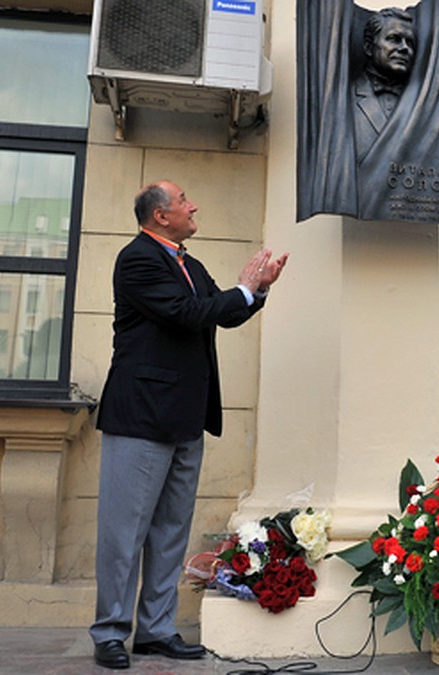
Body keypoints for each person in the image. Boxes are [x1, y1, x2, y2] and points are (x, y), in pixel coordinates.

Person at [90, 180, 288, 670]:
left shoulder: (189, 263)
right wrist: (241, 289)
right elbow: (184, 314)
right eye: (183, 201)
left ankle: (156, 630)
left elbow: (218, 315)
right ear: (160, 215)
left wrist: (256, 291)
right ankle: (111, 631)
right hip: (140, 416)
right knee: (124, 533)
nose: (192, 205)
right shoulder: (137, 258)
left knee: (170, 531)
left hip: (185, 416)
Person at [353, 7, 416, 163]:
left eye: (409, 42)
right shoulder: (345, 99)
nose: (404, 48)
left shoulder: (420, 103)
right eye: (394, 38)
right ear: (369, 47)